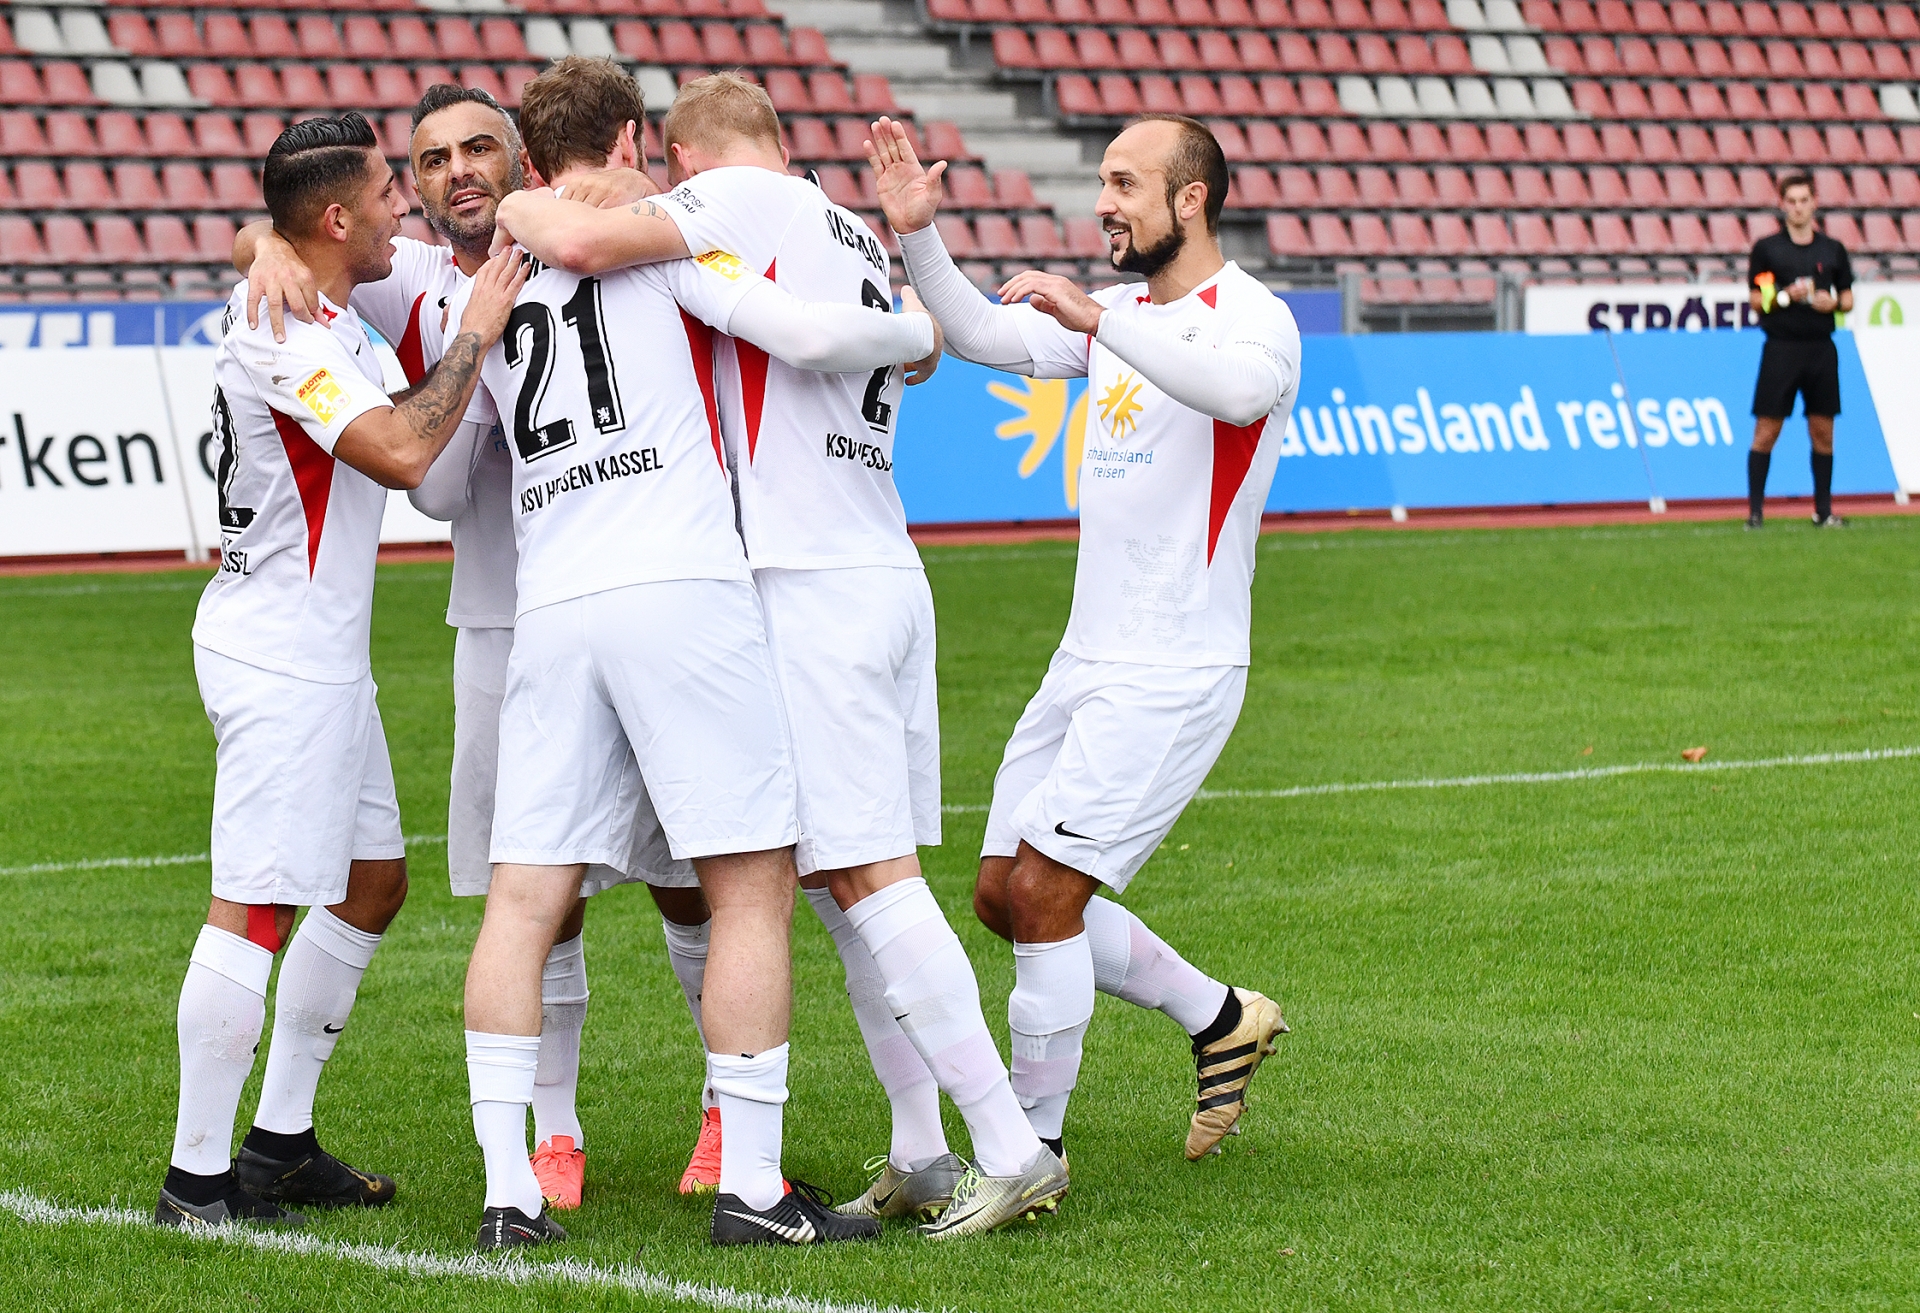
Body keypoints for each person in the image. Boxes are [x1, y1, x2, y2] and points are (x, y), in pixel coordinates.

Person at [494, 70, 1064, 1239]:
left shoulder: (729, 204)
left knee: (867, 878)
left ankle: (1008, 1144)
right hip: (879, 561)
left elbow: (593, 233)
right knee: (841, 880)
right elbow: (904, 349)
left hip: (802, 582)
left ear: (686, 155)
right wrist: (913, 326)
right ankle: (917, 1145)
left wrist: (515, 205)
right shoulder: (841, 222)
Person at [232, 83, 721, 1211]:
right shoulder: (408, 278)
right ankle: (555, 1130)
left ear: (521, 160)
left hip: (644, 592)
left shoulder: (595, 237)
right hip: (502, 621)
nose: (457, 170)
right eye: (432, 156)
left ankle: (717, 1104)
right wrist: (264, 243)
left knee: (690, 876)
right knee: (538, 888)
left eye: (478, 148)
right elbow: (300, 231)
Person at [866, 111, 1293, 1171]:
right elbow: (976, 334)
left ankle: (1028, 1152)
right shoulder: (1117, 316)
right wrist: (919, 233)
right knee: (1001, 896)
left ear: (1189, 199)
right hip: (1086, 660)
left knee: (1049, 893)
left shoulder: (1252, 317)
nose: (1103, 201)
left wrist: (1101, 326)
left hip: (1177, 666)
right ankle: (1220, 1015)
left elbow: (1239, 392)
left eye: (1124, 182)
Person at [157, 112, 526, 1229]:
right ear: (334, 218)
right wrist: (475, 329)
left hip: (314, 651)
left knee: (372, 883)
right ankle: (196, 1179)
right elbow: (408, 451)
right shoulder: (295, 333)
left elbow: (259, 241)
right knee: (251, 907)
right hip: (280, 656)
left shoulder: (305, 295)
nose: (400, 206)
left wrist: (253, 240)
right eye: (385, 193)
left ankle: (277, 1143)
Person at [1745, 173, 1854, 530]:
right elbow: (1757, 301)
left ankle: (1823, 511)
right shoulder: (1768, 249)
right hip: (1781, 348)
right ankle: (1756, 514)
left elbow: (1848, 299)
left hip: (1821, 349)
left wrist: (1831, 303)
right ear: (1782, 205)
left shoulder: (1832, 249)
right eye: (1791, 201)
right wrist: (1783, 297)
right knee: (1767, 430)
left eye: (1803, 200)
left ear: (1814, 203)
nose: (1798, 207)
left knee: (1823, 430)